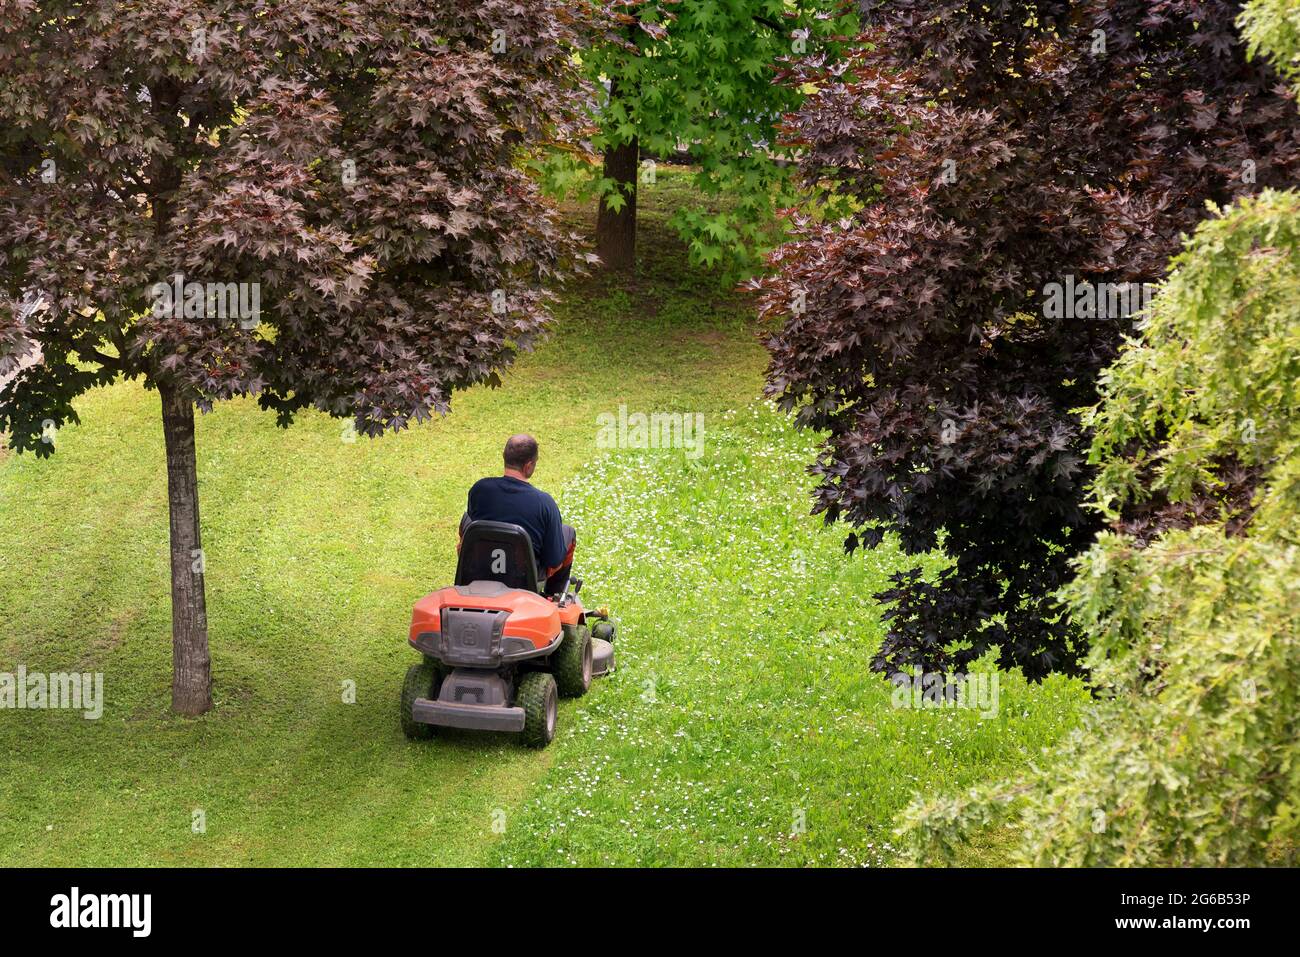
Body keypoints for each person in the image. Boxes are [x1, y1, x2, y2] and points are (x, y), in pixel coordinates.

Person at [461, 434, 576, 595]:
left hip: (480, 569)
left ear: (504, 457)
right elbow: (554, 560)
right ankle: (553, 599)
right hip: (525, 580)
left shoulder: (479, 490)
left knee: (467, 521)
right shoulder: (544, 503)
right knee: (568, 532)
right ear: (529, 466)